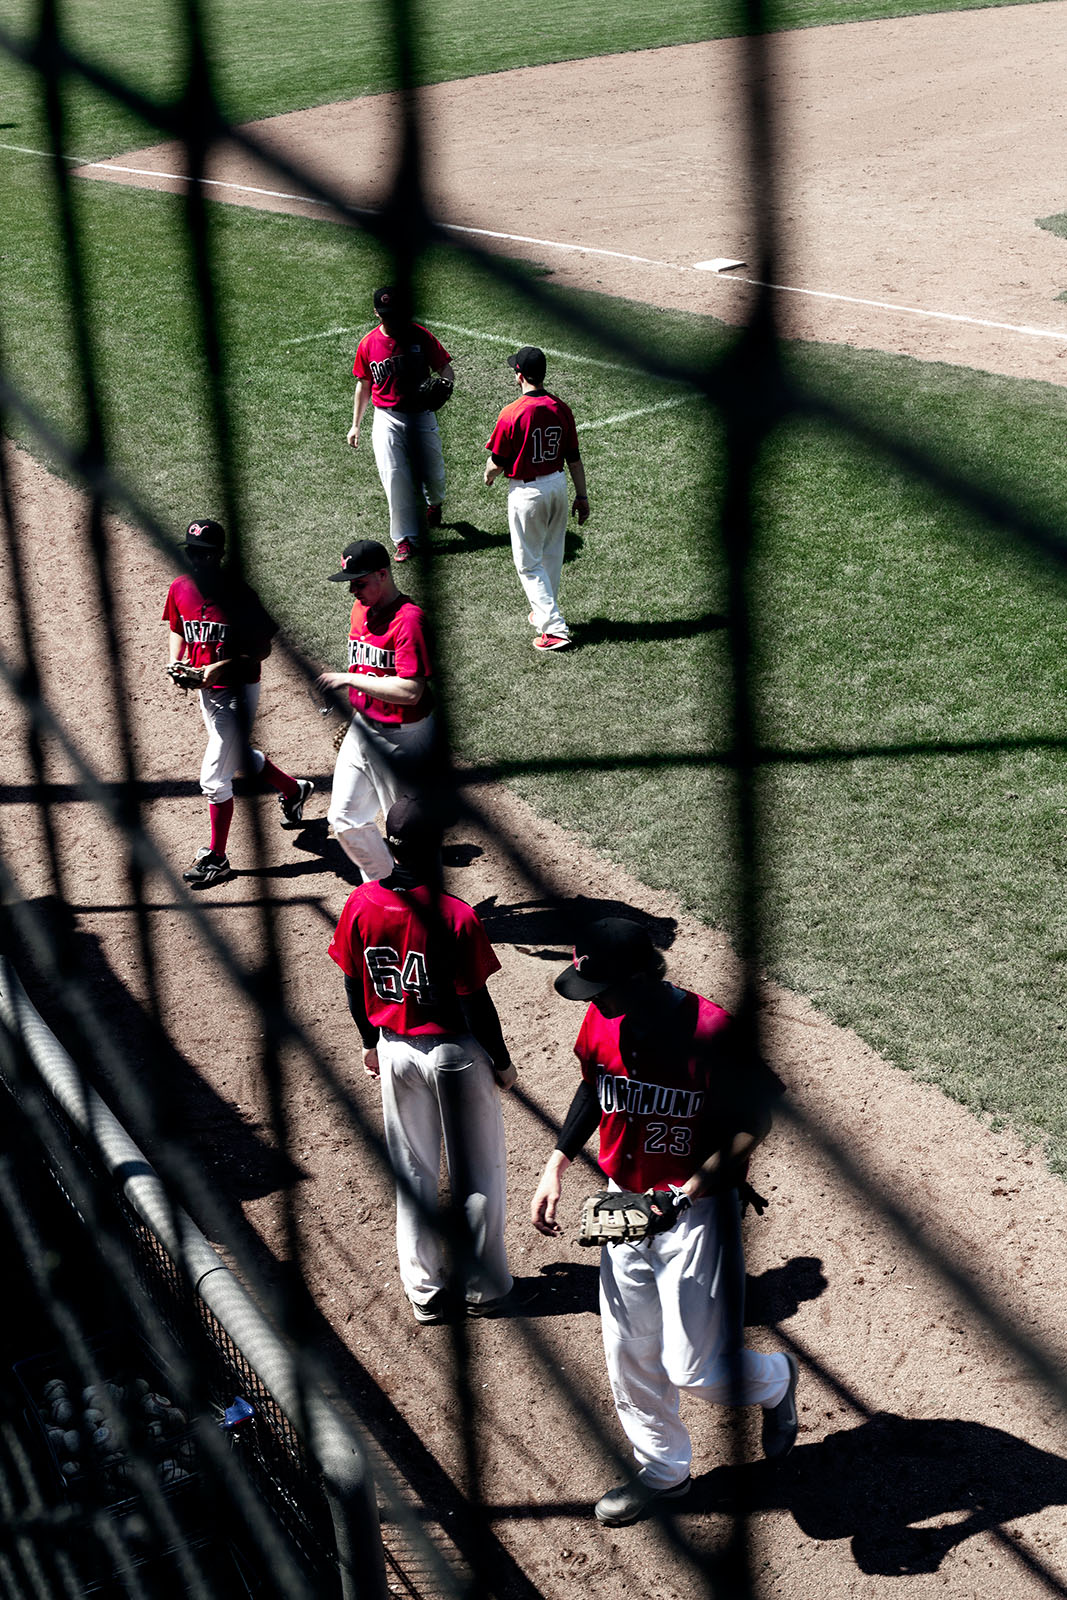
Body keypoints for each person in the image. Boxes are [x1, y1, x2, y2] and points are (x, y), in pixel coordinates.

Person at [530, 917, 799, 1527]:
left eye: (599, 984)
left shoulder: (713, 1031)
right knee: (630, 1352)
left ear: (635, 978)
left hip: (699, 1213)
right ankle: (662, 1470)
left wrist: (685, 1191)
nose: (591, 997)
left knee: (696, 1369)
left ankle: (777, 1378)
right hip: (625, 1202)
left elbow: (755, 1122)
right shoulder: (603, 1017)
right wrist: (557, 1162)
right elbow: (595, 1087)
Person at [328, 796, 517, 1323]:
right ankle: (484, 1288)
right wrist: (501, 1061)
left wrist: (369, 1040)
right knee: (477, 1171)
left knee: (412, 1171)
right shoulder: (454, 915)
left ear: (390, 845)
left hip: (393, 1049)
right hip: (455, 1055)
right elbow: (474, 1002)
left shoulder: (361, 904)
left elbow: (352, 983)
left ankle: (427, 1292)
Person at [163, 519, 313, 889]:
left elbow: (262, 649)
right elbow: (177, 628)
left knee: (214, 779)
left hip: (237, 694)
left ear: (219, 555)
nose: (197, 560)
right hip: (206, 691)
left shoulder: (241, 595)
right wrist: (177, 662)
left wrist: (218, 668)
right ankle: (294, 789)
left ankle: (217, 858)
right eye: (193, 553)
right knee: (237, 754)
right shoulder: (181, 587)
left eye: (205, 554)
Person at [317, 540, 435, 883]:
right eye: (350, 583)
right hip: (362, 729)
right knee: (344, 819)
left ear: (383, 574)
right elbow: (369, 671)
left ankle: (426, 908)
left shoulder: (409, 621)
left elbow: (412, 691)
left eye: (360, 582)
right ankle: (385, 888)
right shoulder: (360, 611)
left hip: (403, 741)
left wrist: (348, 679)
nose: (353, 591)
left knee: (411, 836)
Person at [484, 345, 589, 652]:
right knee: (552, 555)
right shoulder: (561, 407)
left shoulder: (512, 412)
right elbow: (575, 459)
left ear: (519, 375)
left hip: (527, 493)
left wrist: (488, 475)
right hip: (558, 485)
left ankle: (554, 629)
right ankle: (545, 612)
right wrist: (582, 495)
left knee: (528, 563)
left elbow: (497, 462)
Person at [347, 286, 454, 562]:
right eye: (385, 316)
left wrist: (446, 384)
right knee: (395, 478)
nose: (391, 321)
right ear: (376, 313)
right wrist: (356, 424)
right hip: (387, 417)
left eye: (394, 315)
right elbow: (364, 385)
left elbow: (445, 367)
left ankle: (435, 502)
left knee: (434, 474)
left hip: (421, 414)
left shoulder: (420, 336)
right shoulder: (368, 344)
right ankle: (404, 539)